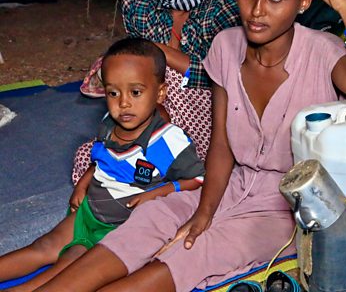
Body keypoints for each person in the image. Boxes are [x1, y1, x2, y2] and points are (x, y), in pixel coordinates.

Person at [35, 0, 346, 292]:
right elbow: (222, 146)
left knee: (188, 253)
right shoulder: (226, 46)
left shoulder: (323, 53)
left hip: (281, 212)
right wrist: (203, 211)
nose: (257, 10)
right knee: (148, 220)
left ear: (303, 1)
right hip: (226, 187)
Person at [0, 37, 204, 291]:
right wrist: (82, 185)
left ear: (160, 92)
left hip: (120, 230)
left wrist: (158, 192)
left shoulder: (166, 141)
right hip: (90, 212)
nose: (123, 103)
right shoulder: (109, 123)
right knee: (42, 247)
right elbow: (100, 159)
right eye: (113, 93)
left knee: (68, 266)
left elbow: (198, 179)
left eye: (135, 92)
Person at [73, 0, 241, 184]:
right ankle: (145, 169)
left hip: (208, 118)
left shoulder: (222, 7)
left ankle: (163, 170)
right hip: (150, 114)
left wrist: (157, 50)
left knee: (161, 72)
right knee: (88, 156)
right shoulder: (140, 6)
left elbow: (220, 76)